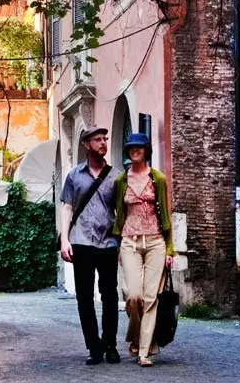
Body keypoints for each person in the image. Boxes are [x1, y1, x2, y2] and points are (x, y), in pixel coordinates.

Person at [59, 125, 121, 365]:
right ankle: (94, 348)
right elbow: (67, 207)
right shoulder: (74, 175)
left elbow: (121, 212)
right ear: (86, 144)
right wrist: (65, 239)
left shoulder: (116, 176)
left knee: (110, 296)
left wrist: (120, 242)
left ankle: (110, 345)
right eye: (97, 139)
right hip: (81, 241)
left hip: (107, 243)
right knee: (84, 297)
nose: (103, 143)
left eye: (105, 139)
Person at [112, 132, 174, 367]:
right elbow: (119, 215)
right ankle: (135, 337)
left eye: (139, 147)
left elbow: (166, 215)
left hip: (156, 241)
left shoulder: (157, 178)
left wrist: (170, 249)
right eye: (130, 148)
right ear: (127, 152)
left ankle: (144, 351)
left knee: (150, 298)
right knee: (133, 296)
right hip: (130, 241)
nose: (134, 151)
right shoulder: (121, 181)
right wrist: (117, 245)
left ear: (146, 150)